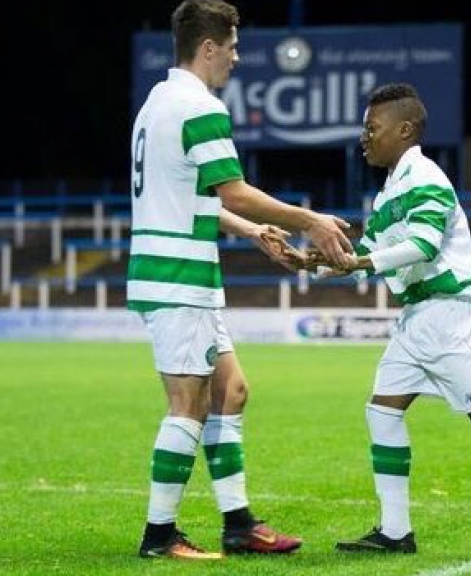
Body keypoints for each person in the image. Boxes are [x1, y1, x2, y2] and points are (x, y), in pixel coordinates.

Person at [129, 0, 353, 560]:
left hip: (178, 272)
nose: (236, 56)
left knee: (231, 391)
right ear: (208, 48)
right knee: (187, 404)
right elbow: (233, 188)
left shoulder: (158, 102)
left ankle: (238, 525)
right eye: (231, 46)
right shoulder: (198, 107)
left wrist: (253, 232)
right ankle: (160, 536)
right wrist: (311, 220)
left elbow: (196, 193)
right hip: (177, 275)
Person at [322, 83, 471, 562]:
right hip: (418, 317)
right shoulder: (390, 190)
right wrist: (308, 261)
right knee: (382, 411)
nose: (364, 137)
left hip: (453, 315)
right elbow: (364, 252)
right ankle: (394, 531)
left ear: (404, 129)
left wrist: (359, 265)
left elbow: (422, 247)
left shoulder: (426, 176)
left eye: (372, 128)